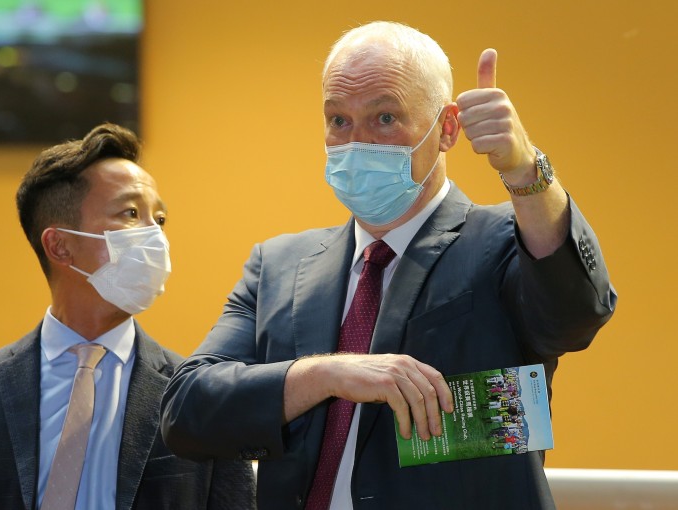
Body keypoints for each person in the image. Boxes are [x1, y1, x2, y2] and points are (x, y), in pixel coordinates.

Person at [160, 21, 616, 509]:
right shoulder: (279, 265)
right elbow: (187, 410)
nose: (356, 141)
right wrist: (327, 375)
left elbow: (576, 315)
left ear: (446, 129)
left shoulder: (506, 240)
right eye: (338, 120)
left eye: (384, 117)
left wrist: (525, 170)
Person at [0, 123, 256, 510]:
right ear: (59, 245)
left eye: (159, 219)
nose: (156, 237)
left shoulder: (203, 400)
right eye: (130, 213)